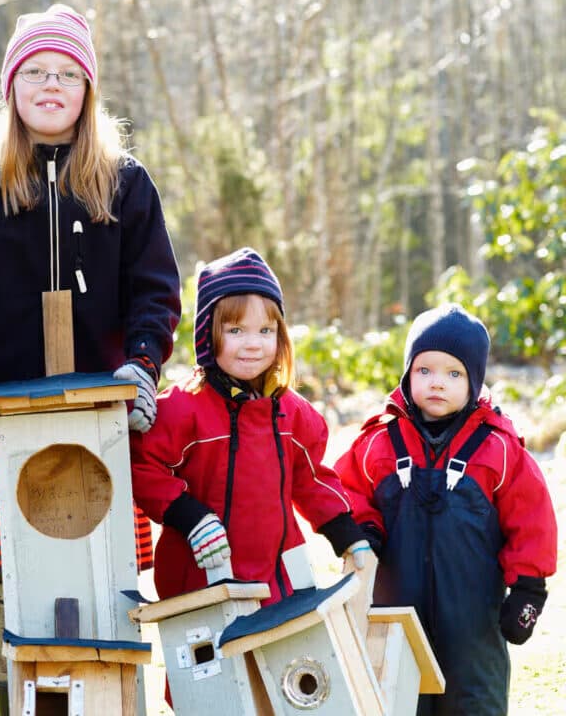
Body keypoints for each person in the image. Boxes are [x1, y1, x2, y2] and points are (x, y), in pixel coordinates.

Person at [0, 4, 181, 714]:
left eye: (68, 73)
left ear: (88, 90)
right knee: (13, 579)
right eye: (35, 71)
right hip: (6, 426)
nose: (51, 84)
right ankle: (20, 695)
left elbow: (155, 292)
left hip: (102, 424)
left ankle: (109, 701)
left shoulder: (125, 186)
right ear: (11, 87)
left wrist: (141, 363)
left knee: (101, 579)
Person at [335, 303, 557, 716]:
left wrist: (529, 588)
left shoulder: (499, 449)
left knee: (475, 702)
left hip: (473, 624)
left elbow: (533, 519)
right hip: (396, 619)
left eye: (454, 374)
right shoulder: (379, 443)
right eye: (425, 371)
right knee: (394, 702)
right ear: (407, 374)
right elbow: (343, 489)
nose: (438, 383)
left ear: (474, 381)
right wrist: (363, 531)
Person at [130, 247, 370, 612]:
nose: (253, 343)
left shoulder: (293, 413)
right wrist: (189, 516)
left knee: (280, 667)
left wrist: (346, 534)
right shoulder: (182, 408)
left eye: (266, 330)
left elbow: (311, 479)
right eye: (236, 330)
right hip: (201, 583)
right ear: (209, 335)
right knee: (212, 667)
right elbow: (141, 464)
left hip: (277, 582)